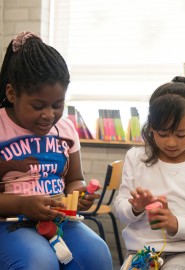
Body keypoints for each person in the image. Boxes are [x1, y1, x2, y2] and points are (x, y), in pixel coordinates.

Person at [0, 31, 112, 270]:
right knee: (39, 262)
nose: (49, 115)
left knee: (97, 253)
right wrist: (22, 205)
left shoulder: (66, 129)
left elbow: (74, 180)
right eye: (38, 106)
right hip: (9, 223)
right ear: (12, 94)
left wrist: (79, 194)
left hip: (60, 220)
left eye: (57, 105)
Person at [113, 76, 185, 270]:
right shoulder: (136, 158)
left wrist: (176, 223)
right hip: (141, 252)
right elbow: (120, 209)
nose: (171, 143)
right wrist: (135, 208)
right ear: (152, 127)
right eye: (162, 134)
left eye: (181, 134)